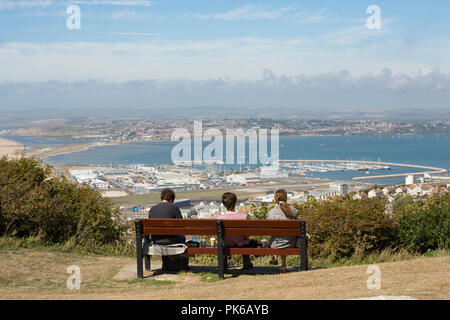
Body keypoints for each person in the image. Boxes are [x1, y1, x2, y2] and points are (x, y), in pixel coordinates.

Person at [216, 192, 256, 269]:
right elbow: (246, 234)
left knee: (223, 243)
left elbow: (220, 235)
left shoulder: (220, 218)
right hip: (242, 243)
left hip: (226, 244)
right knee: (246, 240)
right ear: (235, 203)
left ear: (224, 204)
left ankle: (224, 265)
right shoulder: (243, 217)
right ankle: (247, 264)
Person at [267, 189, 298, 273]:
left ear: (275, 199)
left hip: (275, 244)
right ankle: (283, 265)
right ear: (286, 198)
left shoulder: (271, 212)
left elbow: (270, 230)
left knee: (275, 237)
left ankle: (275, 257)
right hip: (290, 243)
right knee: (284, 237)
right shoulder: (293, 210)